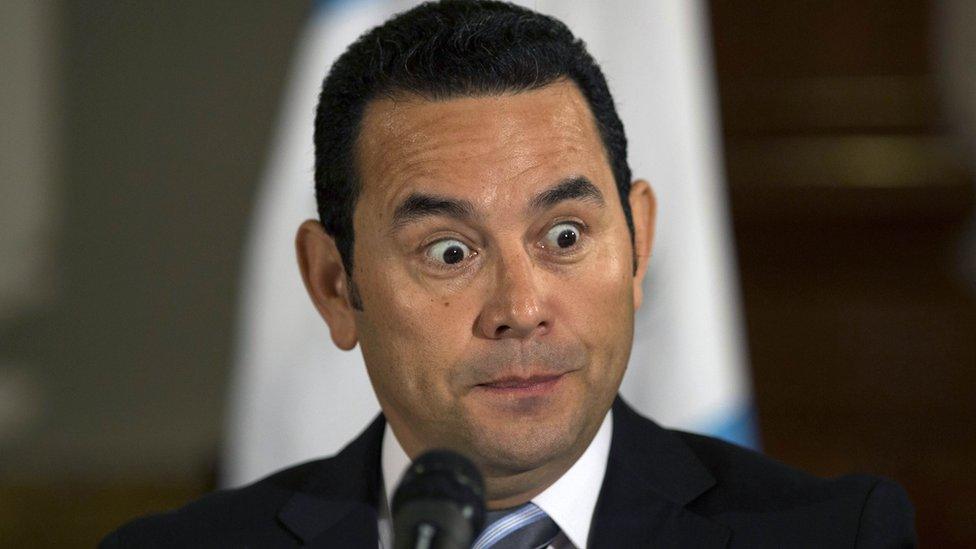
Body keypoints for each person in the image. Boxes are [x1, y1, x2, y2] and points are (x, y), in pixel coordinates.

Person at [101, 1, 916, 547]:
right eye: (450, 252)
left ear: (637, 242)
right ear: (333, 284)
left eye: (564, 234)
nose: (521, 308)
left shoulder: (834, 534)